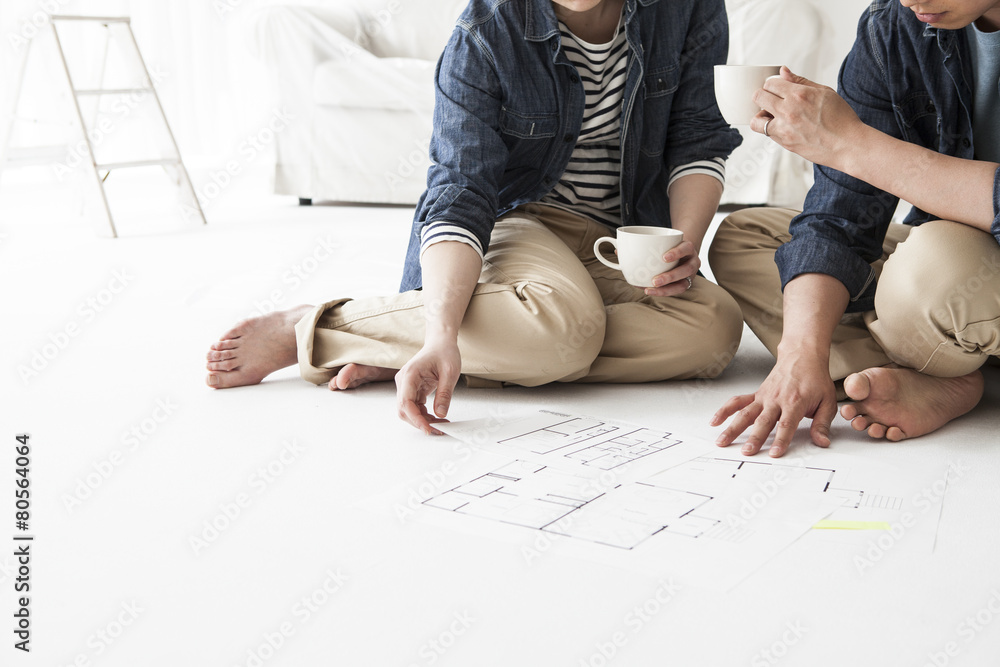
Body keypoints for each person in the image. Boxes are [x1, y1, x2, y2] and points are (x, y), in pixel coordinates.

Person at [205, 0, 744, 434]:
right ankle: (322, 328)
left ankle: (420, 339)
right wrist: (440, 333)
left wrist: (677, 248)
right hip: (522, 222)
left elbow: (698, 138)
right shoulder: (484, 32)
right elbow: (461, 194)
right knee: (561, 327)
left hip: (623, 233)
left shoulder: (689, 8)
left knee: (712, 328)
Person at [709, 0, 1000, 457]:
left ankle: (925, 355)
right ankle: (934, 374)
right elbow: (839, 217)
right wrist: (800, 352)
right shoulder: (896, 25)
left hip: (955, 268)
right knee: (747, 238)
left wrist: (851, 144)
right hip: (952, 257)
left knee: (937, 271)